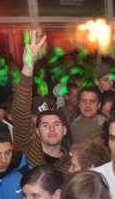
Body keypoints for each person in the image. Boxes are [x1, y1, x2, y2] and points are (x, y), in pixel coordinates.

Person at [11, 31, 71, 173]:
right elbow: (20, 111)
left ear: (64, 130)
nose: (51, 129)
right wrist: (28, 67)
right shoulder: (28, 149)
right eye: (45, 125)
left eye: (56, 124)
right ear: (37, 131)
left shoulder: (70, 167)